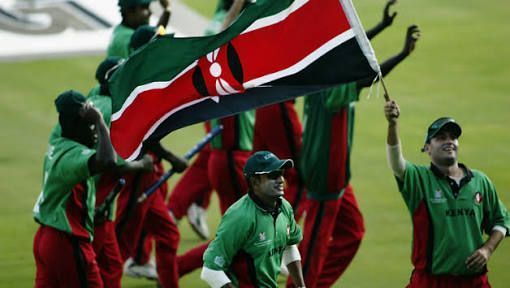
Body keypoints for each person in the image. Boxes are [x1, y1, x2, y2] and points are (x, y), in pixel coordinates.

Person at [292, 1, 421, 287]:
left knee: (353, 232)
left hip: (338, 177)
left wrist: (382, 26)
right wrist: (403, 54)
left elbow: (352, 51)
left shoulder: (325, 66)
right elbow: (367, 76)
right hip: (325, 176)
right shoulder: (332, 82)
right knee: (309, 261)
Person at [384, 100, 510, 287]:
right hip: (431, 282)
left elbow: (502, 221)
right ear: (427, 148)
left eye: (453, 137)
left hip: (474, 282)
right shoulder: (419, 179)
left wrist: (488, 249)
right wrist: (393, 124)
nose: (449, 141)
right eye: (441, 137)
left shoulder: (480, 181)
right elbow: (396, 162)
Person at [113, 25, 187, 287]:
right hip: (136, 171)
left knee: (168, 235)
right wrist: (170, 157)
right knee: (121, 244)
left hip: (146, 172)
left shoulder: (142, 74)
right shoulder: (134, 79)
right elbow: (141, 133)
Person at [33, 90, 117, 287]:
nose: (94, 132)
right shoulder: (71, 155)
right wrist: (100, 121)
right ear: (75, 126)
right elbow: (108, 161)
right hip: (66, 243)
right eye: (89, 126)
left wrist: (87, 212)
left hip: (47, 237)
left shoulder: (58, 143)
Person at [201, 151, 305, 288]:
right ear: (255, 182)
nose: (281, 180)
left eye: (281, 173)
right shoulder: (240, 217)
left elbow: (289, 246)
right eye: (273, 175)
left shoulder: (284, 207)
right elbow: (210, 271)